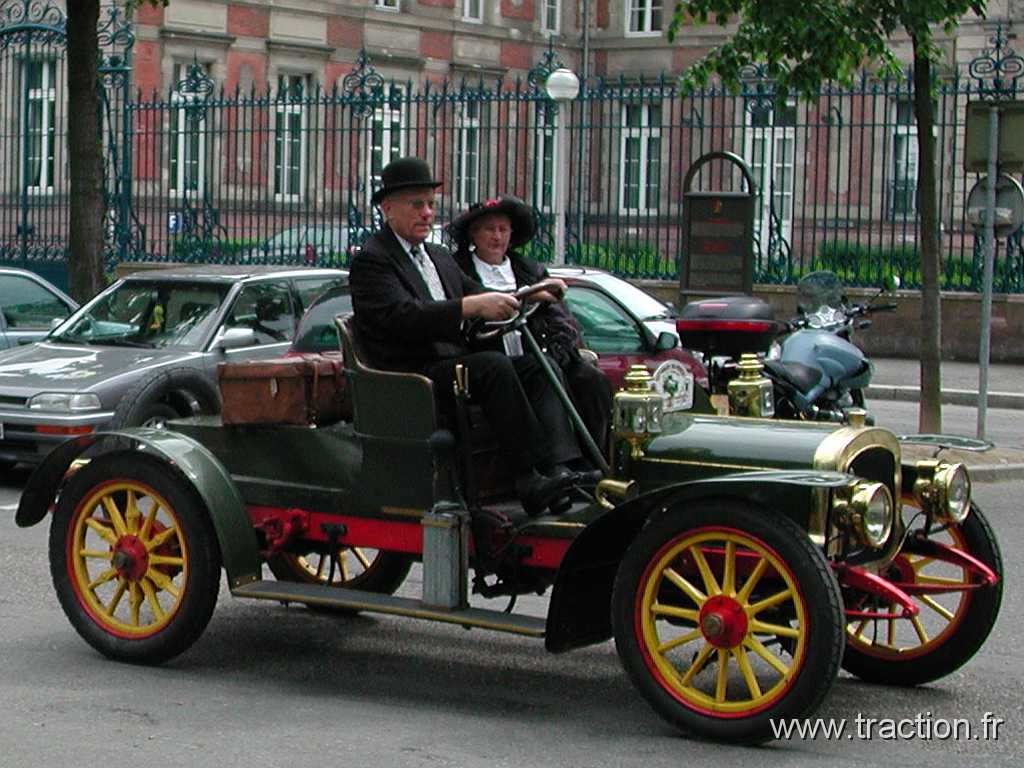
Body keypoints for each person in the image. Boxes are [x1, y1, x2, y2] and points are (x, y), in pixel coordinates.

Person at [348, 157, 580, 516]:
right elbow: (401, 317)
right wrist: (470, 308)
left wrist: (531, 294)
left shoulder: (437, 256)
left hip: (451, 364)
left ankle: (558, 467)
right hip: (414, 373)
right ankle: (526, 478)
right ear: (387, 208)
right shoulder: (373, 260)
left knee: (538, 365)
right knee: (493, 366)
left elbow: (477, 291)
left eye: (430, 205)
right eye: (417, 204)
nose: (427, 213)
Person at [449, 196, 612, 459]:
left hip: (540, 350)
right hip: (493, 358)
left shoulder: (530, 270)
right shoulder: (458, 269)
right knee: (540, 373)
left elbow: (561, 319)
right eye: (489, 229)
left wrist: (560, 348)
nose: (497, 237)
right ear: (473, 234)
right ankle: (558, 462)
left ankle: (595, 459)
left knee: (591, 380)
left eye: (503, 229)